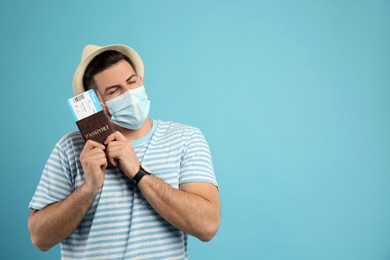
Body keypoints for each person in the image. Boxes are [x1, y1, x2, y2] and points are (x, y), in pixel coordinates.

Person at [28, 44, 220, 259]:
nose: (129, 93)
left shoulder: (186, 138)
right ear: (97, 102)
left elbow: (207, 226)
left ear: (141, 80)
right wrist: (89, 188)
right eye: (114, 90)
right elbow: (40, 238)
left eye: (131, 81)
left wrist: (138, 173)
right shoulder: (69, 147)